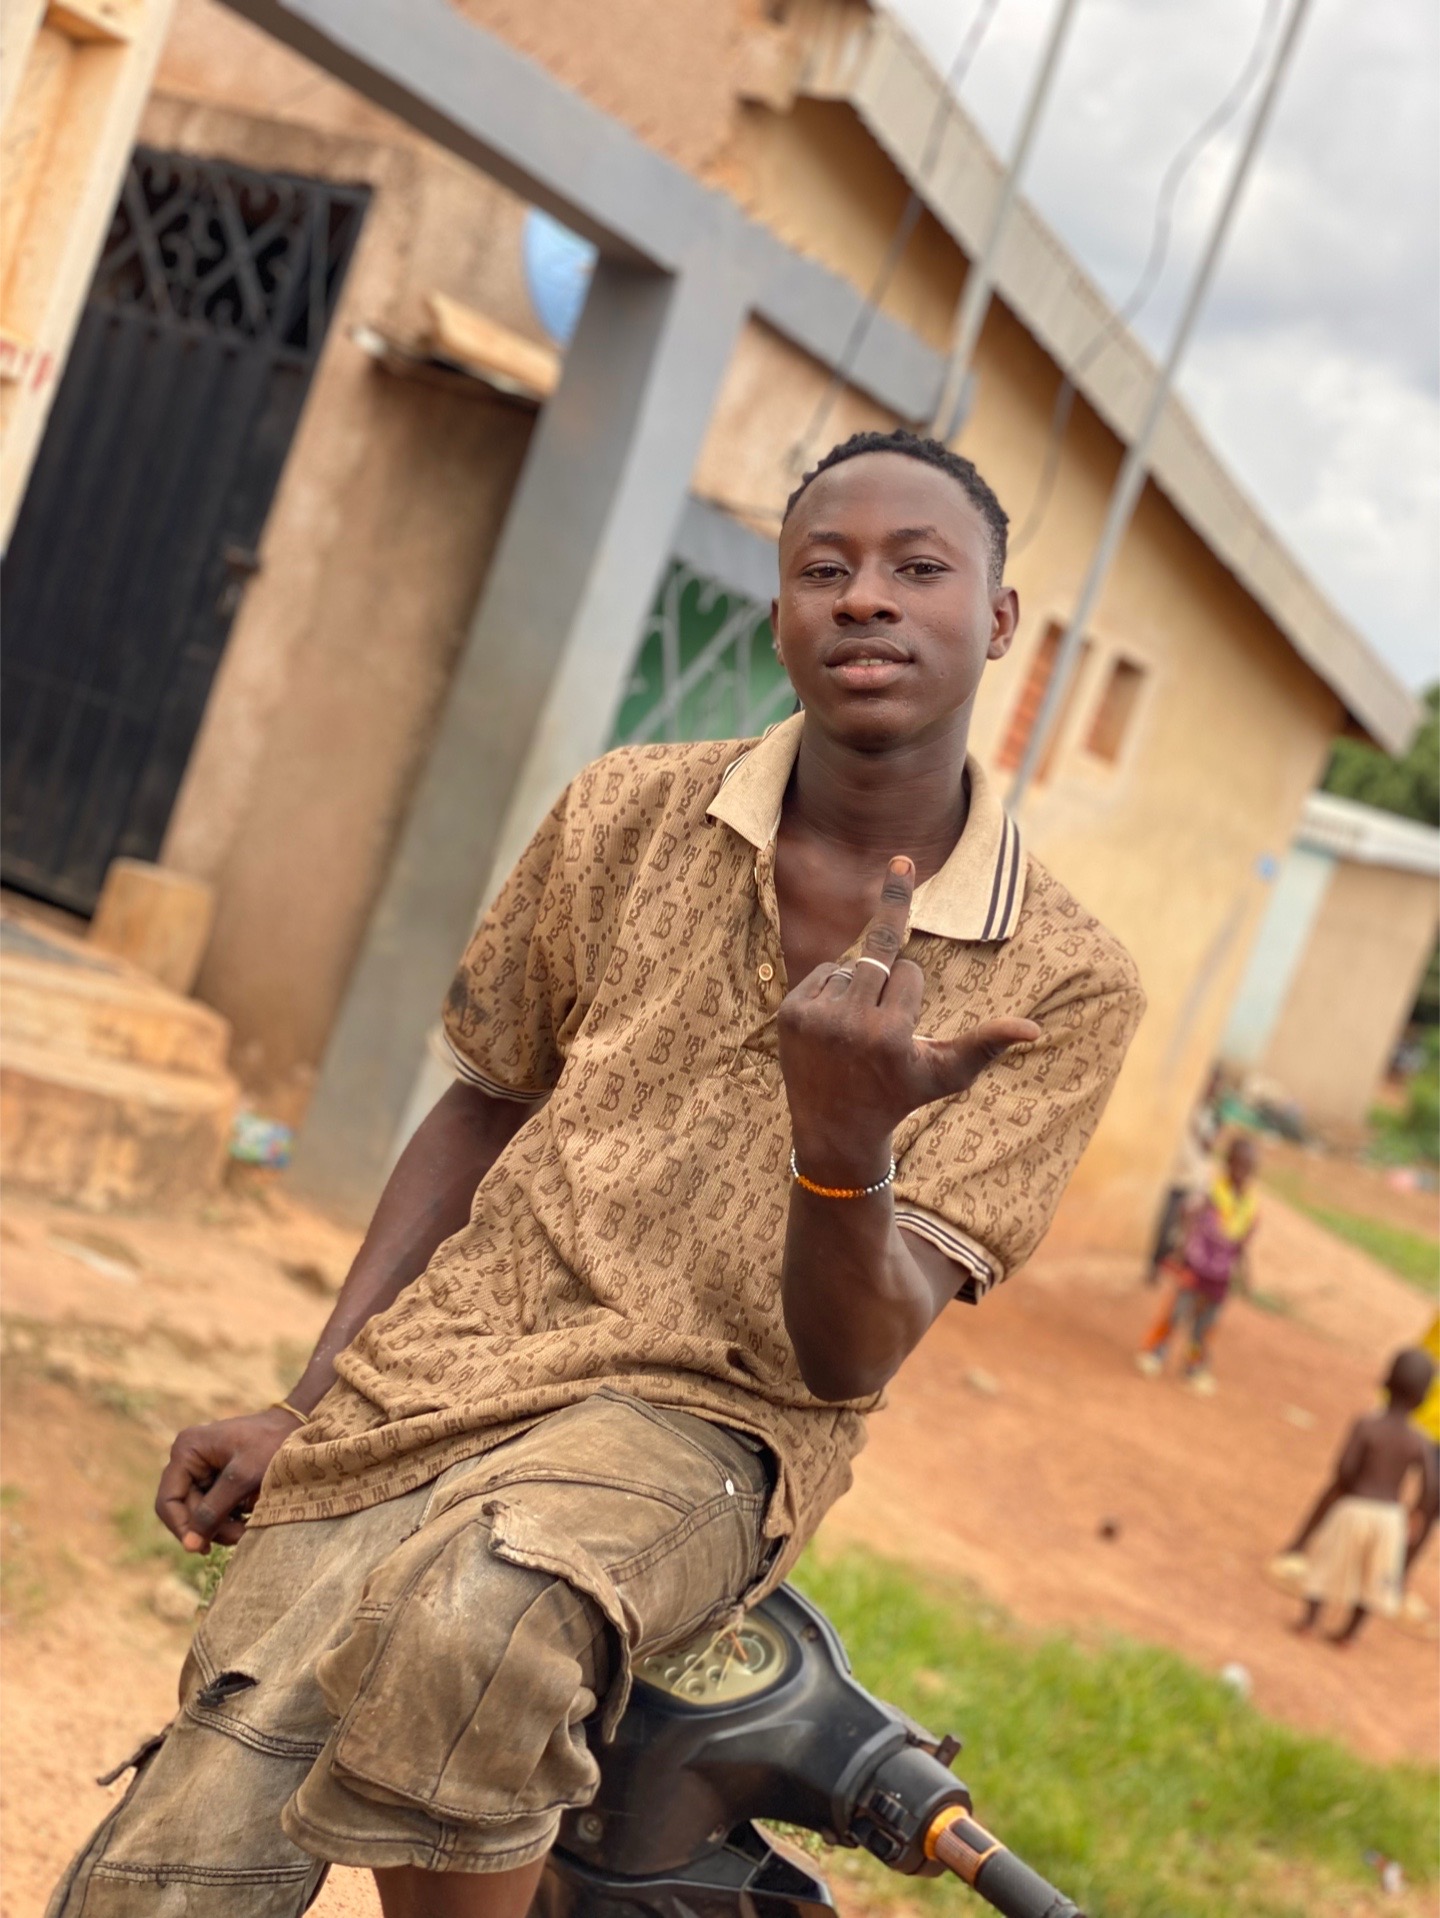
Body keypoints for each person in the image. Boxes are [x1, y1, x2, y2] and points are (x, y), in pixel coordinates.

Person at [50, 429, 1144, 1918]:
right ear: (778, 615)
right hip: (446, 1367)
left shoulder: (1062, 977)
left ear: (1001, 620)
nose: (866, 597)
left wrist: (843, 1148)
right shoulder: (624, 813)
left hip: (709, 1419)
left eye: (919, 567)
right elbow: (483, 1106)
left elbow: (849, 1355)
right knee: (183, 1852)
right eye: (822, 568)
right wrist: (307, 1404)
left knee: (479, 1624)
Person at [1285, 1348, 1438, 1645]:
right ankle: (1349, 1634)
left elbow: (1345, 1468)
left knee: (1328, 1566)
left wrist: (1348, 1489)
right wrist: (1417, 1512)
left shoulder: (1367, 1425)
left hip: (1355, 1507)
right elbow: (1431, 1485)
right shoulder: (1419, 1440)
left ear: (1385, 1382)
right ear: (1423, 1399)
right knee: (1374, 1580)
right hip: (1390, 1517)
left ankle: (1310, 1621)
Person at [1135, 1134, 1258, 1392]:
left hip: (1221, 1276)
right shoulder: (1212, 1193)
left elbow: (1242, 1243)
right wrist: (1183, 1245)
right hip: (1196, 1266)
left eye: (1247, 1168)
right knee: (1177, 1311)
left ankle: (1193, 1365)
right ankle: (1155, 1352)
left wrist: (1245, 1273)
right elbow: (1187, 1212)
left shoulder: (1249, 1206)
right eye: (1238, 1165)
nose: (1241, 1172)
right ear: (1228, 1163)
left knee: (1206, 1324)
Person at [1143, 1067, 1221, 1284]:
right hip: (1176, 1176)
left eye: (1214, 1083)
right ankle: (1154, 1266)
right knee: (1165, 1224)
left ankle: (1167, 1266)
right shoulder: (1187, 1103)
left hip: (1194, 1181)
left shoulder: (1213, 1116)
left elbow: (1209, 1145)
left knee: (1181, 1231)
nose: (1210, 1087)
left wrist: (1198, 1127)